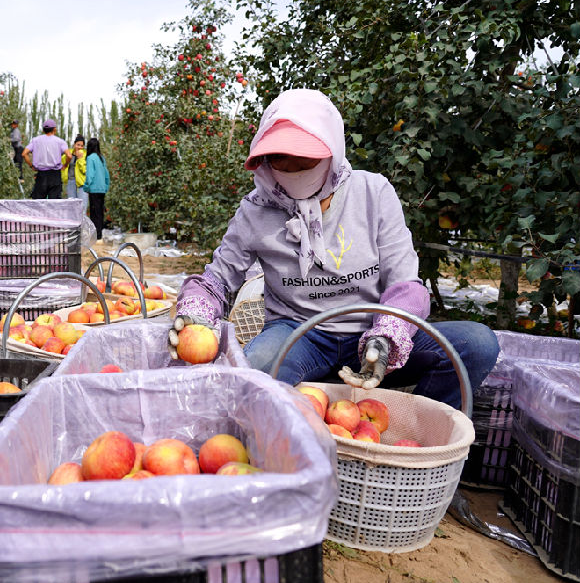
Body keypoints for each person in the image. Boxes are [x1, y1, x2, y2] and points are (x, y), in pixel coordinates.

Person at [168, 89, 499, 409]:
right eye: (281, 157)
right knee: (255, 370)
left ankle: (417, 431)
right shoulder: (256, 210)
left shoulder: (373, 192)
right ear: (265, 159)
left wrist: (386, 337)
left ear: (332, 149)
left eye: (305, 157)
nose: (293, 167)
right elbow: (217, 279)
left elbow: (405, 284)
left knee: (476, 345)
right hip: (299, 335)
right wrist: (196, 311)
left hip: (371, 334)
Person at [22, 119, 70, 199]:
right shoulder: (60, 141)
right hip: (55, 175)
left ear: (43, 130)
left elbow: (24, 154)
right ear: (54, 129)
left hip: (41, 175)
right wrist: (65, 165)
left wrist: (31, 166)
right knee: (54, 203)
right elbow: (69, 155)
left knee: (39, 203)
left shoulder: (35, 140)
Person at [83, 137, 110, 241]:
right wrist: (106, 186)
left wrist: (86, 186)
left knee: (94, 213)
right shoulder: (101, 158)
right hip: (102, 189)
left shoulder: (90, 158)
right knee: (100, 212)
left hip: (94, 189)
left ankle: (96, 236)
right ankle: (99, 234)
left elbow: (90, 175)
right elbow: (106, 174)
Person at [62, 135, 88, 209]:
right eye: (78, 145)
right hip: (70, 180)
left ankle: (82, 220)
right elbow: (63, 164)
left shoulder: (85, 154)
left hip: (81, 182)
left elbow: (84, 170)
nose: (79, 147)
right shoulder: (69, 153)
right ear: (74, 144)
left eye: (82, 145)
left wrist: (80, 159)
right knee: (71, 205)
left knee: (82, 206)